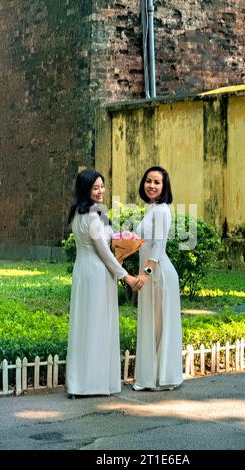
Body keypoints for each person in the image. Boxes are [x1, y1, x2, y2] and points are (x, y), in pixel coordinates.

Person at [66, 169, 139, 397]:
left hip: (81, 272)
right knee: (99, 325)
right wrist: (125, 275)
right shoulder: (92, 216)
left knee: (83, 325)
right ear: (85, 190)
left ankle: (80, 381)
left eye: (102, 186)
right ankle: (95, 383)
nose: (100, 191)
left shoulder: (78, 214)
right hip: (98, 274)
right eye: (95, 187)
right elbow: (104, 254)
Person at [133, 166, 183, 391]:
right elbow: (144, 243)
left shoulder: (162, 210)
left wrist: (145, 273)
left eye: (157, 182)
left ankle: (162, 378)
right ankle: (151, 376)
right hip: (151, 274)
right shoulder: (151, 209)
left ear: (164, 187)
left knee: (159, 324)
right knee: (152, 324)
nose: (151, 185)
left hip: (159, 274)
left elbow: (158, 245)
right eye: (148, 181)